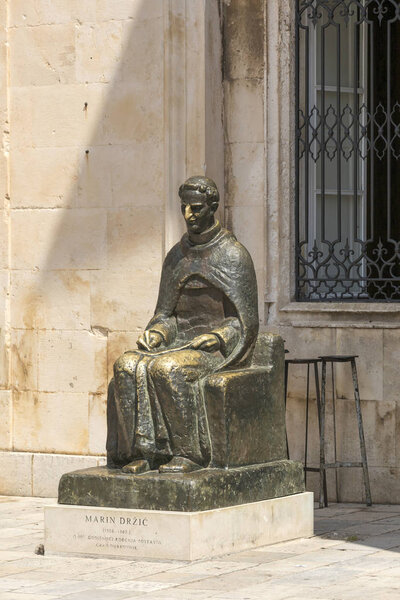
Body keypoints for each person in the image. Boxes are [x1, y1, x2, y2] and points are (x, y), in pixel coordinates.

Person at [106, 175, 259, 474]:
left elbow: (244, 322)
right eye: (185, 207)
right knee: (125, 366)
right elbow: (166, 315)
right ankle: (142, 452)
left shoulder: (233, 255)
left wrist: (217, 336)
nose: (189, 215)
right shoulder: (176, 257)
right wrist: (157, 332)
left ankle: (189, 454)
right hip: (176, 345)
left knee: (167, 369)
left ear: (212, 207)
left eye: (197, 208)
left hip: (215, 350)